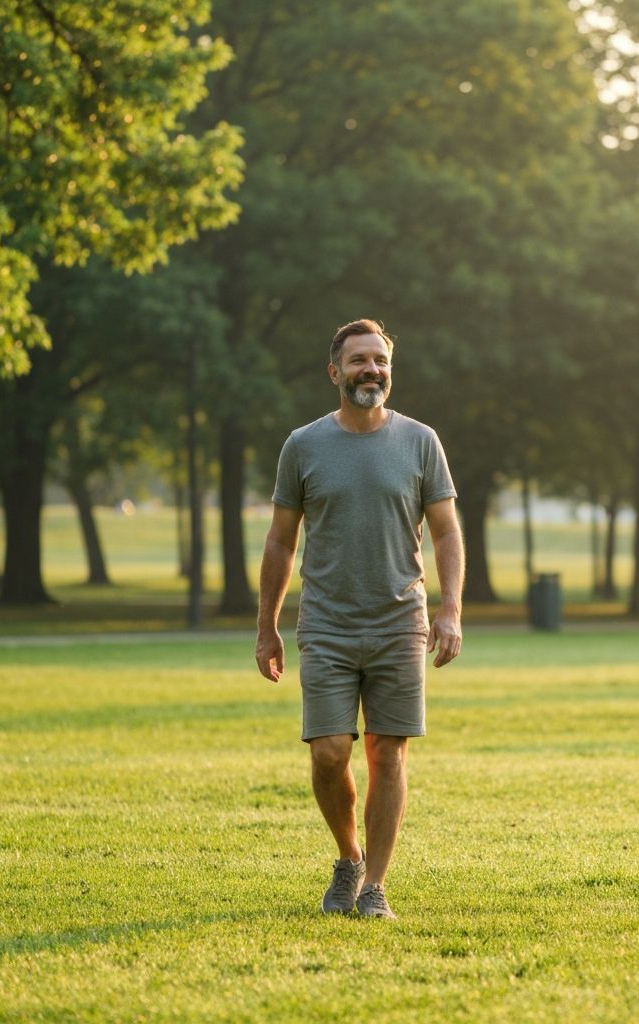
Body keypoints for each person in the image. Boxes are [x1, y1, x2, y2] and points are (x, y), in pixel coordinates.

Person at [254, 318, 464, 920]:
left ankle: (373, 885)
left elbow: (447, 531)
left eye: (380, 361)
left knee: (388, 753)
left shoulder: (421, 441)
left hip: (402, 620)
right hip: (326, 624)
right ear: (335, 372)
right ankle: (347, 857)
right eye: (358, 361)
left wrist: (450, 609)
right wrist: (266, 625)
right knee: (327, 752)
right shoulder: (304, 445)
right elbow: (279, 541)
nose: (371, 370)